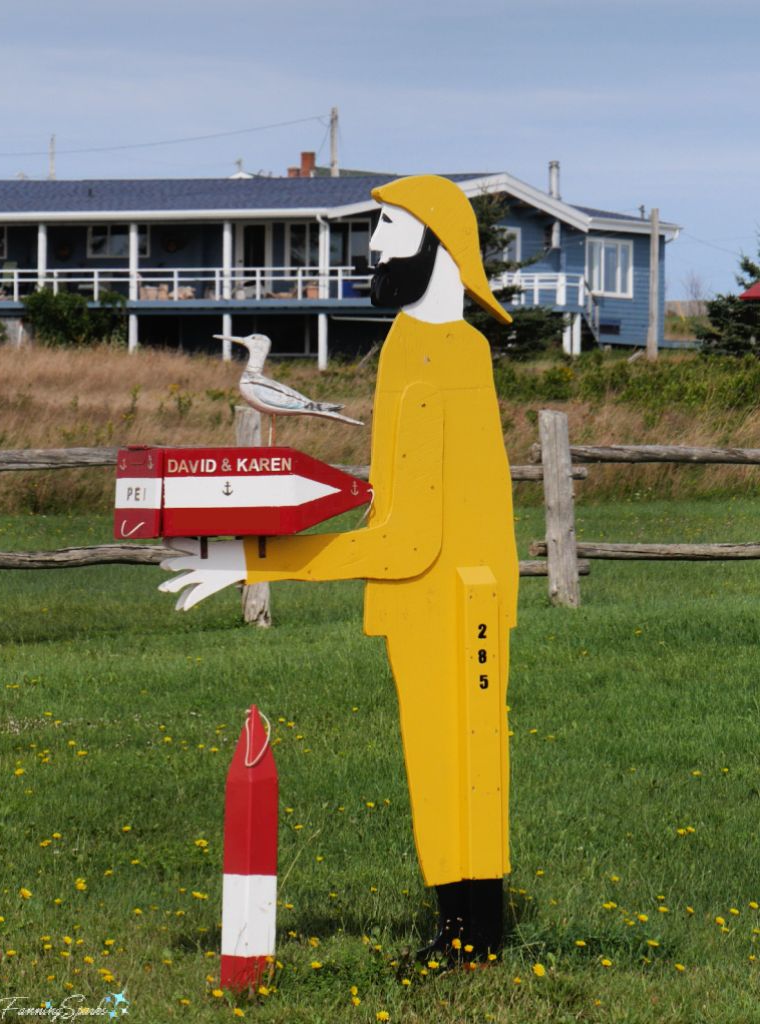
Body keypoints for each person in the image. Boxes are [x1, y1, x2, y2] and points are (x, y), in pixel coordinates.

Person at [160, 175, 519, 959]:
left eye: (393, 225)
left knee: (462, 769)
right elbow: (399, 506)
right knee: (436, 768)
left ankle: (473, 938)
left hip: (456, 603)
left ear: (443, 247)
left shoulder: (446, 360)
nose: (375, 244)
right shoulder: (408, 346)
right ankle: (461, 932)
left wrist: (254, 561)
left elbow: (410, 539)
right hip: (425, 599)